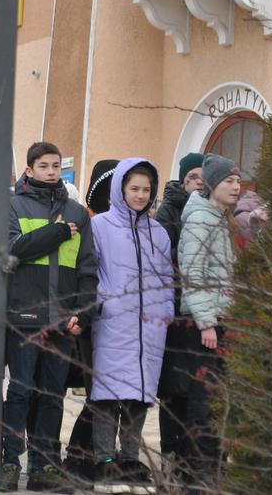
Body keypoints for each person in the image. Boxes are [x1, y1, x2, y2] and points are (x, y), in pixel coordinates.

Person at [1, 141, 98, 493]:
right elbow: (11, 251)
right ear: (29, 170)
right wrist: (55, 233)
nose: (52, 172)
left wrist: (82, 315)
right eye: (44, 166)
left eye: (56, 165)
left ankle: (44, 465)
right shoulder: (13, 205)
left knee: (52, 396)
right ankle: (10, 462)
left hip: (63, 320)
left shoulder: (77, 213)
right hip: (24, 317)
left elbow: (88, 270)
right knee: (21, 393)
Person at [89, 159, 174, 494]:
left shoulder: (159, 232)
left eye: (146, 189)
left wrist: (164, 311)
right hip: (113, 322)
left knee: (138, 397)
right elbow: (90, 269)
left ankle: (129, 458)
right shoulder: (102, 227)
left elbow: (167, 279)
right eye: (134, 188)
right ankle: (104, 460)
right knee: (108, 396)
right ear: (121, 189)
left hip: (150, 327)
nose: (141, 195)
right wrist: (103, 302)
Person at [178, 154, 240, 486]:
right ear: (213, 185)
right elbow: (193, 272)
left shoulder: (219, 218)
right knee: (204, 402)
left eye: (238, 181)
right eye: (229, 181)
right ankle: (199, 477)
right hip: (206, 324)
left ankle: (205, 471)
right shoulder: (201, 219)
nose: (236, 186)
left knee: (214, 400)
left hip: (218, 319)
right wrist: (206, 322)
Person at [63, 158, 119, 480]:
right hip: (91, 318)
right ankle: (79, 458)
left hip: (116, 321)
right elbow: (85, 272)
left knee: (110, 396)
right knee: (98, 393)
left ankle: (88, 458)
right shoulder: (91, 225)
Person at [153, 152, 204, 468]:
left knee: (197, 390)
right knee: (173, 389)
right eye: (193, 177)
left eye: (203, 176)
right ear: (183, 181)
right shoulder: (168, 213)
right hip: (174, 311)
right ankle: (170, 457)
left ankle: (191, 456)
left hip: (201, 314)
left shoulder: (213, 212)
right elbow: (163, 261)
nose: (199, 182)